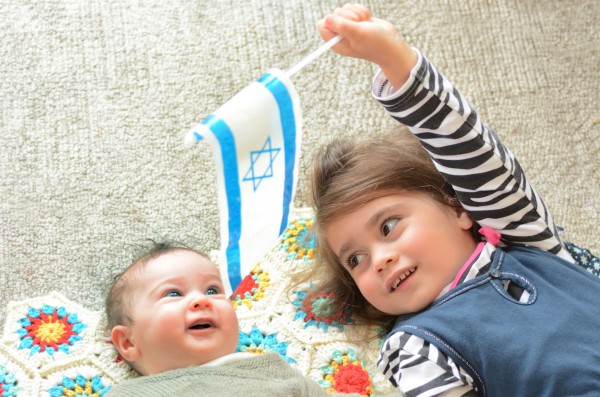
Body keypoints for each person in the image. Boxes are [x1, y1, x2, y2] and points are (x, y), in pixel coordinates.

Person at [309, 4, 600, 396]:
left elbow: (469, 148)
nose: (379, 260)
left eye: (389, 226)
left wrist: (392, 56)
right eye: (355, 260)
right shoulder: (417, 348)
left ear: (458, 207)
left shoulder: (524, 238)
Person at [105, 241, 357, 397]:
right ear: (128, 342)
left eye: (212, 290)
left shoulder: (272, 371)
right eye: (173, 293)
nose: (202, 300)